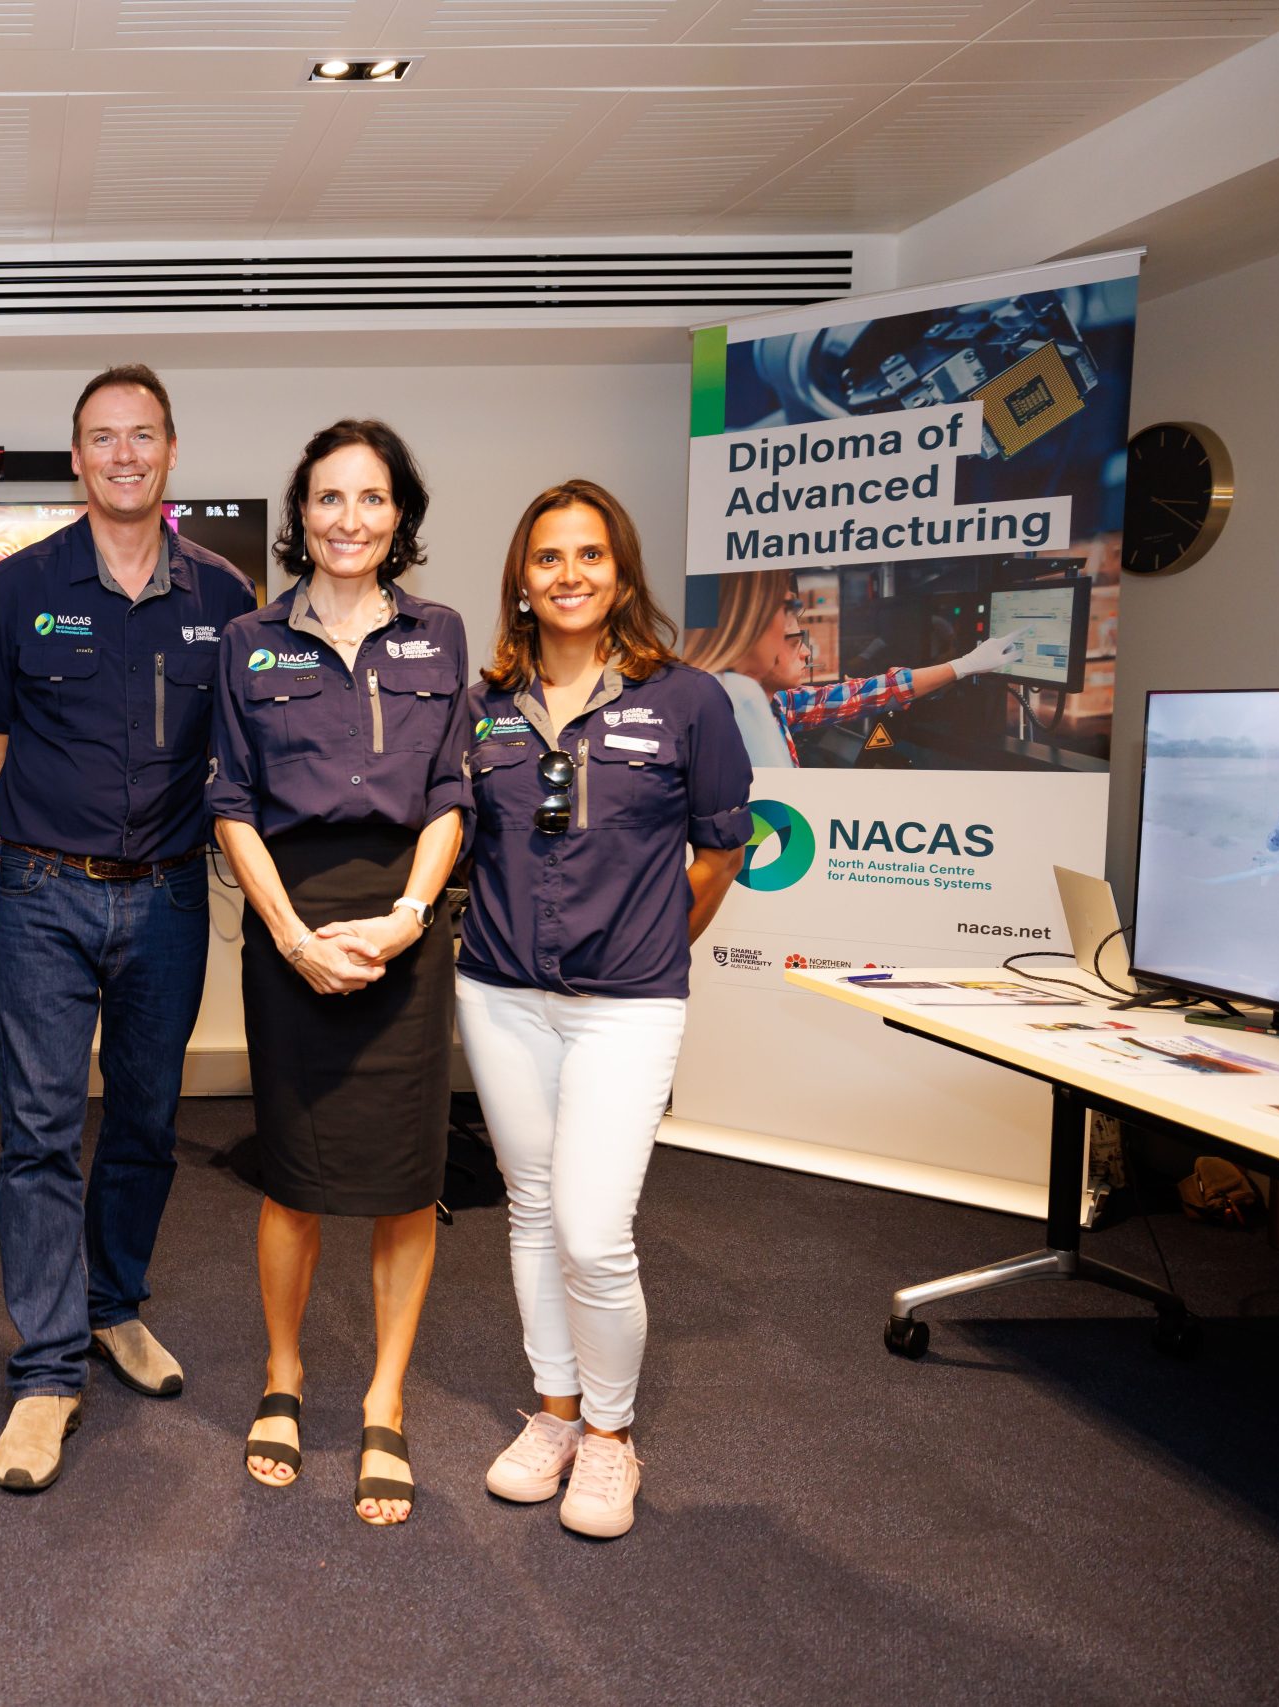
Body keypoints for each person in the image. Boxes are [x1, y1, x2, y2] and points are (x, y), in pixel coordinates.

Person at [0, 364, 258, 1492]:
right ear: (76, 457)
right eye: (101, 437)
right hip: (44, 892)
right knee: (37, 1129)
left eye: (142, 435)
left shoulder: (226, 597)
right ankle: (43, 1372)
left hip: (173, 896)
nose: (123, 454)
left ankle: (111, 1306)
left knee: (144, 1118)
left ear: (171, 451)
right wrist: (51, 835)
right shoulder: (15, 586)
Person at [453, 480, 751, 1541]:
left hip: (626, 1002)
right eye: (547, 558)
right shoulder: (483, 705)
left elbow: (722, 846)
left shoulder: (687, 701)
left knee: (591, 1227)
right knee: (531, 1210)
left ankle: (614, 1437)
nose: (567, 575)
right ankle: (555, 1414)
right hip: (498, 993)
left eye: (588, 555)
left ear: (619, 573)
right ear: (520, 580)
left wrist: (656, 938)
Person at [208, 419, 472, 1527]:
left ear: (399, 517)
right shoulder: (248, 639)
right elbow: (228, 803)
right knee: (295, 1173)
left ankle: (384, 1398)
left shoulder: (441, 633)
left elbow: (454, 792)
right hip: (292, 917)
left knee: (406, 1180)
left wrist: (411, 916)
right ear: (299, 514)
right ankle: (283, 1375)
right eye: (327, 498)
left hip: (407, 915)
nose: (348, 519)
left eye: (370, 499)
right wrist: (290, 935)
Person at [680, 569, 1027, 766]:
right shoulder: (730, 706)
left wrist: (964, 665)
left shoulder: (777, 706)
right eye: (791, 635)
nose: (806, 654)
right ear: (745, 630)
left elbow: (869, 693)